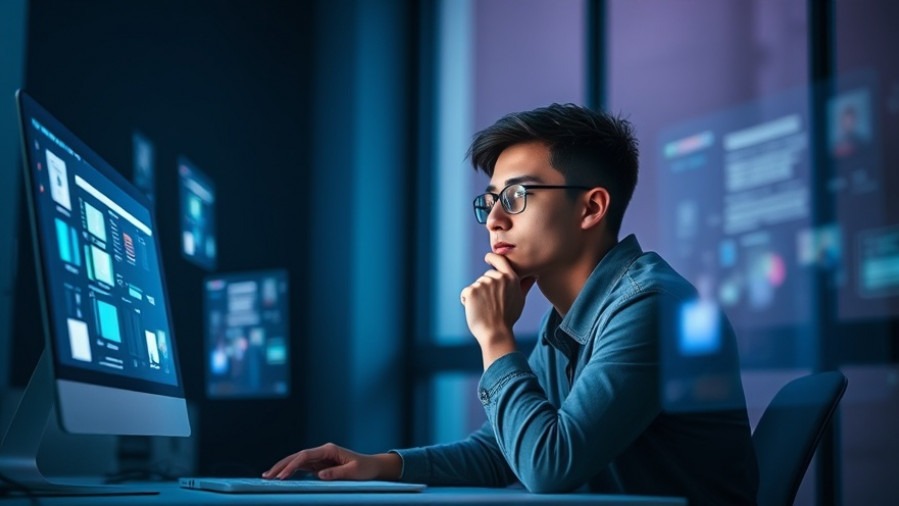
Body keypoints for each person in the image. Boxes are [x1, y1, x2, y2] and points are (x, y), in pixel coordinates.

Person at [263, 104, 759, 505]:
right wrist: (380, 465)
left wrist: (495, 337)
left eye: (518, 195)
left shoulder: (652, 306)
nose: (494, 219)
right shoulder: (569, 316)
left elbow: (548, 467)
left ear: (591, 207)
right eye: (491, 200)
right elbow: (506, 450)